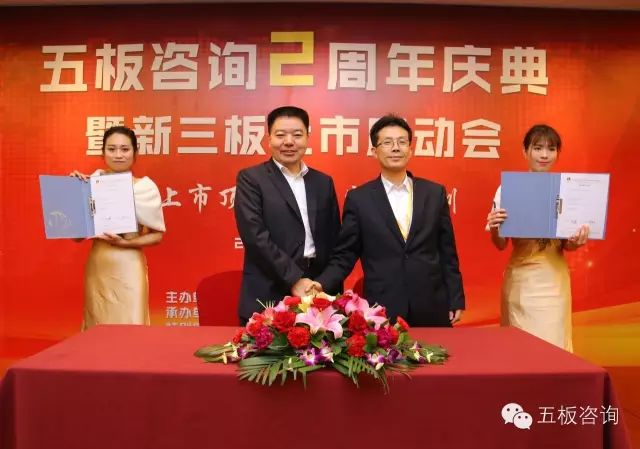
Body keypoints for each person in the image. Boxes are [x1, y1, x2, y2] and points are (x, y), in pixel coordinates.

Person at [313, 114, 465, 327]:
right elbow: (345, 254)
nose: (396, 148)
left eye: (402, 142)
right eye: (387, 142)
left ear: (410, 149)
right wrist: (320, 284)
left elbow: (447, 252)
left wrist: (456, 297)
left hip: (432, 303)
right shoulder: (359, 199)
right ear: (374, 151)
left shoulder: (434, 193)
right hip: (382, 306)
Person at [234, 106, 341, 324]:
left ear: (308, 137)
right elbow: (256, 237)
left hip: (316, 291)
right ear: (269, 139)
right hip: (269, 290)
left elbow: (335, 239)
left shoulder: (323, 182)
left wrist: (322, 283)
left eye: (297, 135)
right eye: (281, 135)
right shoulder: (251, 179)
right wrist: (295, 279)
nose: (289, 142)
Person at [486, 124, 589, 351]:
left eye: (551, 149)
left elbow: (567, 244)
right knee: (520, 350)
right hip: (521, 281)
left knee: (554, 348)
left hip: (554, 282)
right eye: (538, 148)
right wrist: (494, 228)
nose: (544, 155)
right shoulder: (508, 188)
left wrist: (576, 241)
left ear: (557, 153)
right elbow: (500, 244)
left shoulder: (567, 190)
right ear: (525, 151)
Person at [70, 125, 165, 329]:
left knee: (131, 325)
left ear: (135, 153)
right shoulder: (90, 183)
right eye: (111, 149)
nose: (118, 155)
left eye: (125, 149)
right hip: (99, 264)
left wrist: (125, 243)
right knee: (97, 324)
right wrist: (75, 193)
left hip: (129, 264)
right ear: (103, 152)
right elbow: (76, 237)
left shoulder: (145, 188)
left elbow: (157, 236)